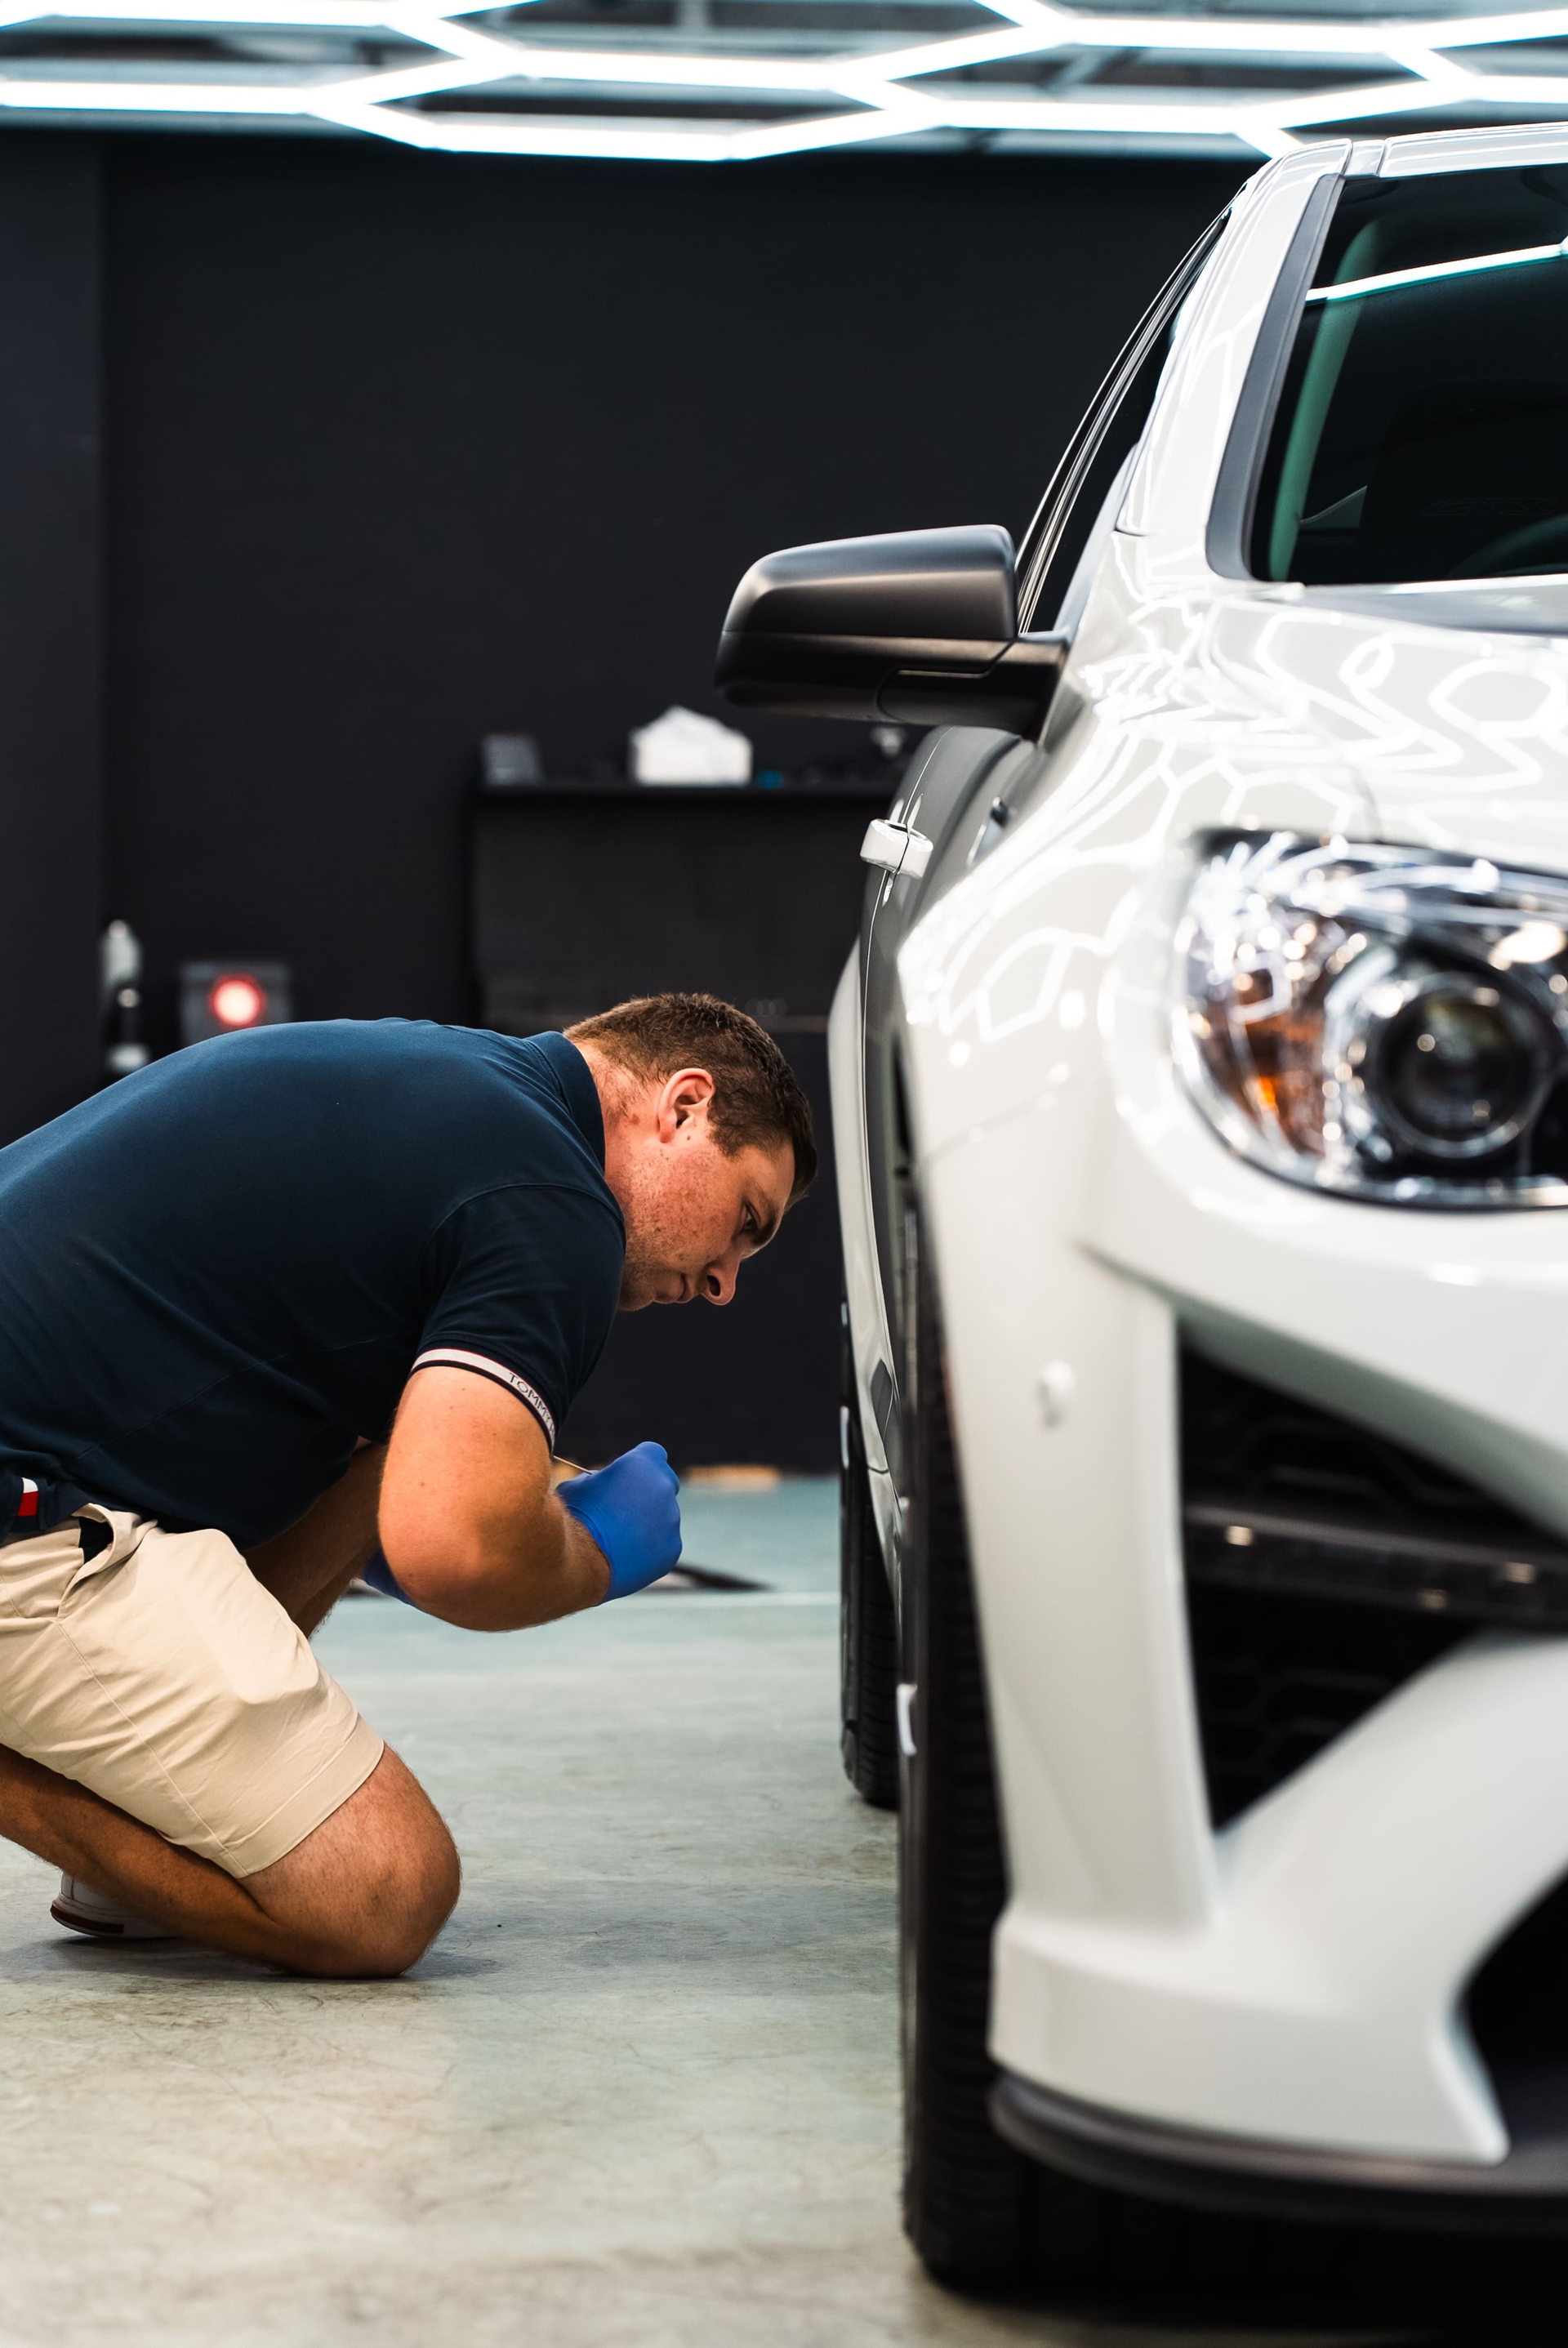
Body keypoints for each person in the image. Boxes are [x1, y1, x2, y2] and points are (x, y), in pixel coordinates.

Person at [0, 992, 813, 1976]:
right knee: (384, 1889)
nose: (727, 1280)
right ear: (683, 1106)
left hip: (53, 1459)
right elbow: (452, 1549)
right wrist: (596, 1551)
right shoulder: (557, 1201)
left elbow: (379, 1500)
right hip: (26, 1502)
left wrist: (406, 1479)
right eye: (744, 1220)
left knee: (364, 1452)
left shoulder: (449, 1089)